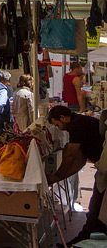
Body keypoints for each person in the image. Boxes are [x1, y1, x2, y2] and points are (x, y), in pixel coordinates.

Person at [46, 105, 105, 245]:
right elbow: (80, 161)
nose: (60, 129)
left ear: (63, 118)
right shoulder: (80, 122)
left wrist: (56, 176)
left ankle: (82, 240)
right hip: (103, 169)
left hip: (104, 169)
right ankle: (83, 240)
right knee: (96, 211)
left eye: (58, 124)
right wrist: (59, 177)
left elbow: (71, 155)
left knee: (96, 210)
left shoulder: (77, 125)